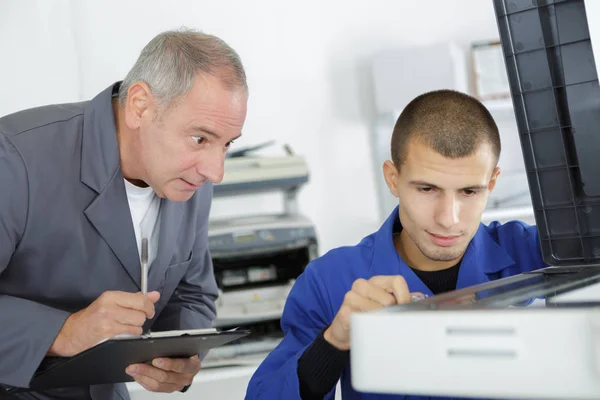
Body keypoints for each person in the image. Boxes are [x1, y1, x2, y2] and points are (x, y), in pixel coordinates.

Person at [245, 90, 546, 400]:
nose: (448, 219)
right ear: (393, 178)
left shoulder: (537, 251)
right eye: (427, 189)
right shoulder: (329, 280)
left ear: (492, 184)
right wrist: (333, 342)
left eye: (469, 192)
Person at [0, 28, 248, 399]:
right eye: (200, 138)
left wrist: (180, 355)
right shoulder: (14, 159)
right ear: (140, 106)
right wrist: (63, 331)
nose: (216, 171)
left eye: (226, 145)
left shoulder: (189, 177)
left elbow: (192, 293)